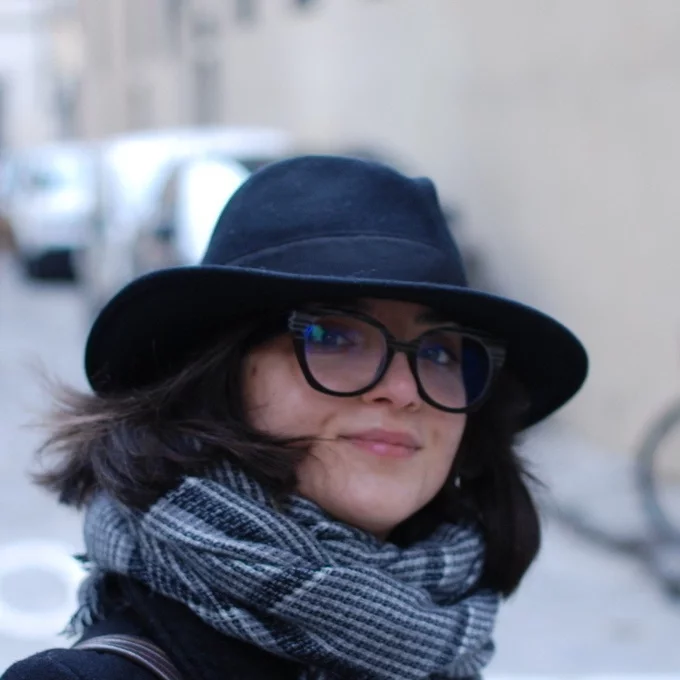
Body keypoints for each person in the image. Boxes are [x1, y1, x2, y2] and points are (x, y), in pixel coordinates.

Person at [3, 155, 588, 680]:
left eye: (440, 353)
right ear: (220, 376)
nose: (404, 390)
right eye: (334, 337)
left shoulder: (440, 648)